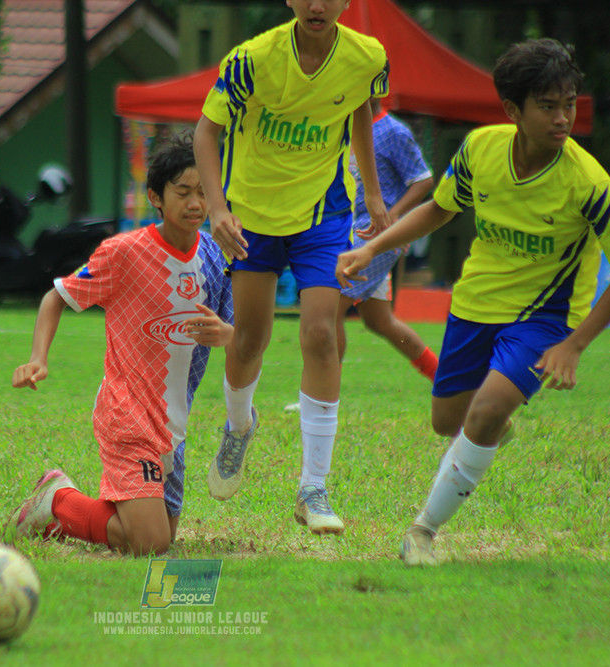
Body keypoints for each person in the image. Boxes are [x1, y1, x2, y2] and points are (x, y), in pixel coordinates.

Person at [336, 38, 610, 566]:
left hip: (545, 319)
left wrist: (574, 345)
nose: (562, 117)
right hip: (475, 304)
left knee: (482, 413)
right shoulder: (480, 150)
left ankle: (423, 532)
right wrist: (371, 248)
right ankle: (492, 426)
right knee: (446, 421)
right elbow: (438, 209)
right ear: (513, 111)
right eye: (548, 106)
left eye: (568, 104)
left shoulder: (589, 184)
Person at [193, 0, 390, 535]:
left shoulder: (368, 57)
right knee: (249, 340)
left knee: (322, 333)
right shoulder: (251, 59)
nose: (317, 5)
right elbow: (204, 134)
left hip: (323, 214)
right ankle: (238, 427)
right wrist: (217, 209)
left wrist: (373, 194)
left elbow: (359, 113)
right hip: (251, 215)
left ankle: (313, 488)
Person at [4, 134, 233, 556]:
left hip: (173, 427)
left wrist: (227, 335)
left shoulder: (218, 258)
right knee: (149, 544)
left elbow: (242, 338)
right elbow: (56, 296)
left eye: (204, 192)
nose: (196, 204)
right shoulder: (124, 252)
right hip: (126, 413)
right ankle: (57, 501)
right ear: (155, 197)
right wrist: (38, 358)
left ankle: (93, 504)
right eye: (183, 192)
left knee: (158, 534)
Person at [286, 97, 437, 413]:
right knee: (380, 321)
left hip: (373, 237)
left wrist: (394, 217)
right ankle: (445, 379)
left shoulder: (392, 131)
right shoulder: (340, 124)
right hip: (345, 232)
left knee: (327, 309)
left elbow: (423, 179)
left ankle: (322, 396)